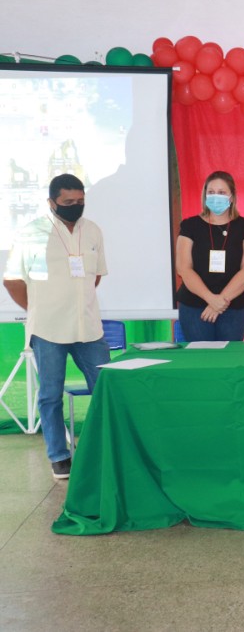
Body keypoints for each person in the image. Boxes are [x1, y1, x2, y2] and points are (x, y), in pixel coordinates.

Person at [3, 174, 110, 480]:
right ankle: (59, 456)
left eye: (80, 201)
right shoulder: (30, 234)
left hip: (88, 328)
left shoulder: (93, 231)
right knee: (50, 395)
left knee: (105, 387)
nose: (75, 207)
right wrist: (39, 308)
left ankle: (102, 446)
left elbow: (95, 276)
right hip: (48, 330)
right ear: (51, 202)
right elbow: (12, 281)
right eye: (68, 202)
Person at [175, 171, 244, 342]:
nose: (215, 197)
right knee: (201, 362)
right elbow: (183, 268)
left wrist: (221, 301)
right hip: (194, 306)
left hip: (234, 306)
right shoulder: (190, 226)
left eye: (221, 192)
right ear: (204, 195)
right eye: (211, 192)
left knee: (229, 362)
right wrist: (211, 299)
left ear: (232, 197)